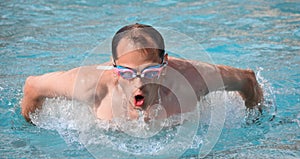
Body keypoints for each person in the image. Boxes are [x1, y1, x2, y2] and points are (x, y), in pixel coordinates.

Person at [21, 23, 263, 123]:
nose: (139, 82)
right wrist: (31, 129)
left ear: (165, 63)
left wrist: (256, 120)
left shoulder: (194, 78)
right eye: (127, 73)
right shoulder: (90, 85)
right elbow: (33, 87)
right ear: (114, 68)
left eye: (150, 71)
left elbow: (248, 80)